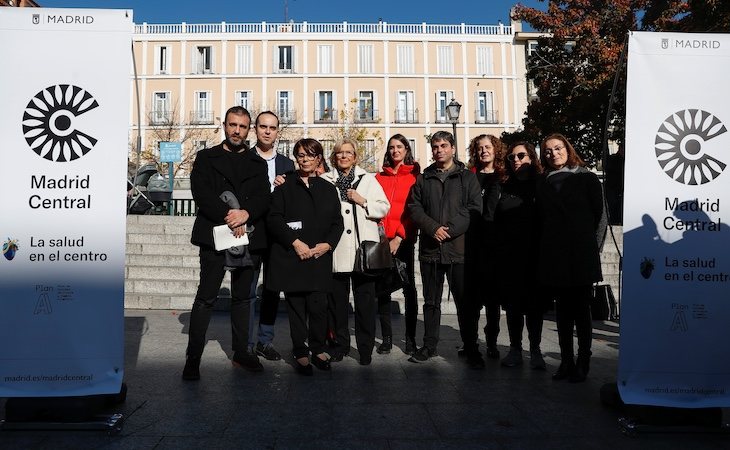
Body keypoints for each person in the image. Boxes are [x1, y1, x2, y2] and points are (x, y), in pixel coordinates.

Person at [183, 106, 271, 381]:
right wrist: (230, 215)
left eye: (243, 127)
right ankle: (193, 358)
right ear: (224, 125)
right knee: (205, 297)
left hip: (249, 235)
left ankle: (241, 353)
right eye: (233, 125)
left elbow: (263, 196)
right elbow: (201, 193)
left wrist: (245, 213)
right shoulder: (206, 157)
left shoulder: (257, 163)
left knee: (243, 299)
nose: (237, 131)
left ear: (249, 130)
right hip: (215, 233)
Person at [265, 138, 344, 375]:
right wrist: (295, 242)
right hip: (294, 258)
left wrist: (328, 245)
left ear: (319, 158)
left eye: (311, 155)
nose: (306, 159)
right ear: (296, 158)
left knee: (319, 306)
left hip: (319, 258)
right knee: (296, 307)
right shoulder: (285, 186)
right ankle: (300, 350)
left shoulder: (329, 189)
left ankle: (318, 348)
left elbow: (337, 223)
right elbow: (274, 219)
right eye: (301, 155)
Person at [536, 133, 606, 383]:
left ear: (567, 149)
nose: (553, 153)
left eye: (557, 148)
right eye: (547, 150)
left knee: (582, 310)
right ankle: (566, 361)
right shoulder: (542, 182)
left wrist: (592, 248)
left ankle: (583, 361)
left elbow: (601, 216)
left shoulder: (586, 178)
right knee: (562, 312)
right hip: (555, 254)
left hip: (581, 253)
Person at [407, 131, 482, 362]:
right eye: (435, 146)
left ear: (453, 148)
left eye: (443, 146)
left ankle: (471, 347)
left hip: (458, 250)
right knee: (431, 302)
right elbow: (414, 207)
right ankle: (429, 346)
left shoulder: (467, 177)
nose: (439, 150)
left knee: (465, 303)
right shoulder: (423, 178)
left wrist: (448, 230)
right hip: (430, 251)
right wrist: (432, 228)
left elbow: (473, 208)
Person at [321, 139, 390, 365]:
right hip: (337, 250)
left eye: (348, 153)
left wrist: (363, 201)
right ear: (334, 157)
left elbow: (384, 207)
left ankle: (365, 349)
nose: (344, 156)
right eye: (340, 153)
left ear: (355, 156)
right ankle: (340, 346)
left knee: (365, 304)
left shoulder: (367, 179)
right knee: (337, 304)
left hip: (363, 253)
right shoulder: (325, 180)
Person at [247, 111, 295, 362]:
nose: (267, 131)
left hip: (277, 237)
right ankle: (245, 343)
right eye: (263, 126)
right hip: (251, 234)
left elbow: (293, 202)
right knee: (247, 290)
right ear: (255, 129)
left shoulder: (288, 165)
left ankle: (264, 341)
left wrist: (284, 190)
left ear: (278, 131)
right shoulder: (244, 159)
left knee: (272, 290)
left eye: (272, 127)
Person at [495, 141, 547, 369]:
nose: (515, 160)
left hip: (536, 256)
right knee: (514, 306)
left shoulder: (542, 185)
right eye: (511, 157)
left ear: (531, 157)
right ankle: (515, 348)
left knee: (535, 307)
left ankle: (535, 350)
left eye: (521, 155)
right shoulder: (505, 186)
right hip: (510, 257)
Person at [374, 134, 420, 355]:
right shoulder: (378, 177)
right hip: (382, 240)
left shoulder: (414, 176)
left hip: (404, 239)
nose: (395, 151)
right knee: (383, 290)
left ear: (406, 149)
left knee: (409, 289)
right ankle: (387, 339)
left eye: (399, 146)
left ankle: (410, 339)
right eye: (391, 147)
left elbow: (414, 210)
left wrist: (399, 237)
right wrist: (383, 236)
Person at [462, 134, 505, 368]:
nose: (484, 151)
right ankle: (471, 343)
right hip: (471, 244)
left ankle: (492, 341)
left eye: (488, 147)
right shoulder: (470, 176)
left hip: (494, 246)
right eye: (479, 148)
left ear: (495, 150)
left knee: (492, 300)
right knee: (471, 300)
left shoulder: (503, 176)